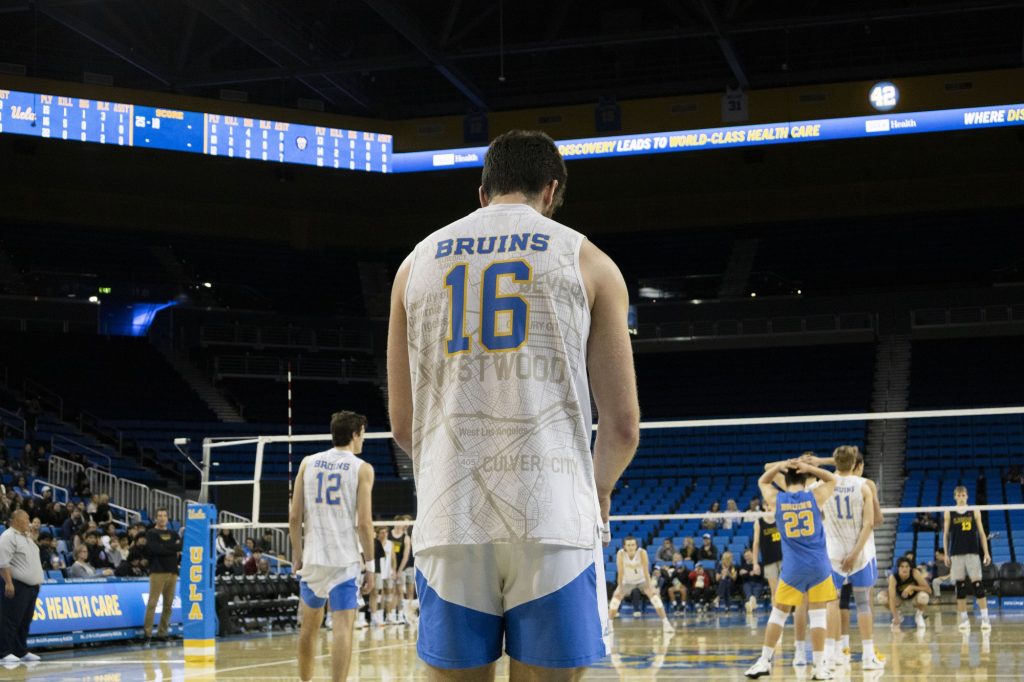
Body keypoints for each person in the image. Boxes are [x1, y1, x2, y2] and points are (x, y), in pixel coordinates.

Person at [387, 129, 640, 678]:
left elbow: (405, 428)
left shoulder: (413, 267)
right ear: (550, 191)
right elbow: (621, 427)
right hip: (552, 511)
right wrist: (597, 490)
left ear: (482, 193)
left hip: (450, 512)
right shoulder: (592, 262)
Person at [289, 411, 375, 682]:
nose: (363, 439)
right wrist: (371, 567)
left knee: (308, 630)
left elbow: (294, 517)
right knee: (342, 629)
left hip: (314, 559)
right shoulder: (362, 468)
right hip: (344, 562)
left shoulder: (307, 462)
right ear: (355, 433)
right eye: (363, 433)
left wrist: (297, 556)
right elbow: (364, 524)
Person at [745, 459, 837, 680]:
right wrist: (810, 468)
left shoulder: (777, 499)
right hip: (818, 566)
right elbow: (831, 478)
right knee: (817, 616)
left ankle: (765, 661)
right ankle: (819, 667)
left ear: (785, 481)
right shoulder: (815, 496)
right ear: (805, 479)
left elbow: (762, 479)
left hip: (793, 567)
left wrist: (779, 466)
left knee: (778, 615)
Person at [810, 446, 883, 671]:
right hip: (860, 554)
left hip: (832, 553)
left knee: (831, 603)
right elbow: (870, 523)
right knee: (863, 603)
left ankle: (831, 656)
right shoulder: (864, 486)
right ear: (855, 464)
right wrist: (853, 554)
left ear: (834, 462)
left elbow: (817, 514)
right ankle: (868, 656)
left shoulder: (818, 486)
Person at [943, 485, 992, 632]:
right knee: (960, 587)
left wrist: (986, 552)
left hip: (972, 552)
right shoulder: (949, 512)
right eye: (958, 495)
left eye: (963, 495)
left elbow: (982, 533)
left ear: (967, 496)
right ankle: (964, 620)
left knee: (978, 585)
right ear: (954, 497)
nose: (961, 497)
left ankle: (985, 618)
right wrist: (946, 553)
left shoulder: (974, 510)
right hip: (956, 553)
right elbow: (945, 535)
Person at [0, 510, 44, 663]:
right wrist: (8, 582)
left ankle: (20, 650)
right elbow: (3, 562)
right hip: (16, 585)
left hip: (31, 587)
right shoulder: (8, 537)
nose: (29, 521)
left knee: (25, 620)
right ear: (16, 520)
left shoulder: (26, 537)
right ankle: (4, 652)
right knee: (10, 619)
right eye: (27, 518)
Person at [607, 537, 674, 632]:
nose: (631, 547)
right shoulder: (621, 554)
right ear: (624, 546)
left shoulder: (642, 552)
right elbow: (620, 572)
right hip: (627, 582)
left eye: (633, 545)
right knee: (615, 598)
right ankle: (609, 625)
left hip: (642, 581)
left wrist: (650, 587)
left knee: (655, 598)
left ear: (636, 545)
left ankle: (666, 623)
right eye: (628, 545)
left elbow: (646, 571)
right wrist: (620, 588)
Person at [142, 509, 182, 644]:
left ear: (167, 518)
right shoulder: (151, 533)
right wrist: (172, 547)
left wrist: (164, 547)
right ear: (155, 518)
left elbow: (180, 546)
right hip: (157, 571)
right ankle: (147, 633)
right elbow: (155, 549)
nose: (162, 518)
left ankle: (162, 632)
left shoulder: (173, 533)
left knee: (168, 605)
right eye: (159, 516)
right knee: (152, 603)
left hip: (172, 571)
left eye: (164, 515)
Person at [876, 557, 930, 630]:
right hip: (900, 600)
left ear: (910, 568)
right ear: (898, 568)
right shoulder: (893, 578)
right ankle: (898, 615)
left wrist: (912, 587)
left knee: (924, 597)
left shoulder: (915, 573)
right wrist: (895, 616)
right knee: (881, 597)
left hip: (914, 599)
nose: (904, 569)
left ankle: (919, 615)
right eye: (902, 566)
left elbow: (929, 590)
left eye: (907, 566)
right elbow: (892, 598)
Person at [751, 505, 782, 606]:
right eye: (767, 504)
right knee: (775, 592)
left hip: (784, 559)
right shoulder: (759, 522)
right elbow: (756, 543)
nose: (769, 506)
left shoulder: (780, 518)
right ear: (764, 506)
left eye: (771, 504)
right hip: (769, 561)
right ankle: (777, 617)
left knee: (787, 589)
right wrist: (755, 563)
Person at [371, 526, 395, 627]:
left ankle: (389, 615)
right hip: (378, 572)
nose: (384, 534)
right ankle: (378, 616)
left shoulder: (390, 544)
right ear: (378, 533)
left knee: (389, 593)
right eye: (382, 532)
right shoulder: (375, 543)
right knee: (377, 594)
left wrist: (394, 570)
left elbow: (393, 558)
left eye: (386, 532)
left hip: (388, 572)